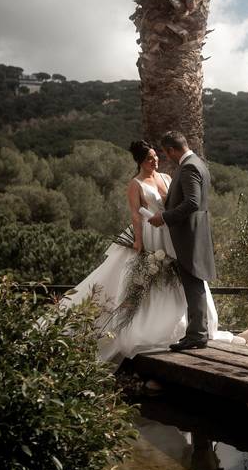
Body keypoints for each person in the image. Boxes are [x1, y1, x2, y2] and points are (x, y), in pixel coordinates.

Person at [61, 139, 231, 364]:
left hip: (171, 232)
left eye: (156, 156)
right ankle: (151, 329)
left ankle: (190, 328)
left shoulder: (167, 177)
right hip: (152, 233)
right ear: (140, 161)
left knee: (181, 274)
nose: (155, 160)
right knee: (153, 276)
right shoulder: (135, 184)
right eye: (150, 158)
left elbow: (177, 203)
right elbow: (135, 215)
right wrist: (138, 242)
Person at [148, 131, 219, 352]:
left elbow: (192, 203)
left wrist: (164, 217)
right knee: (194, 281)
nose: (167, 157)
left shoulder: (188, 167)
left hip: (190, 233)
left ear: (171, 150)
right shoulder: (198, 162)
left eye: (166, 153)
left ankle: (197, 335)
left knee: (193, 281)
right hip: (195, 231)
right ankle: (197, 332)